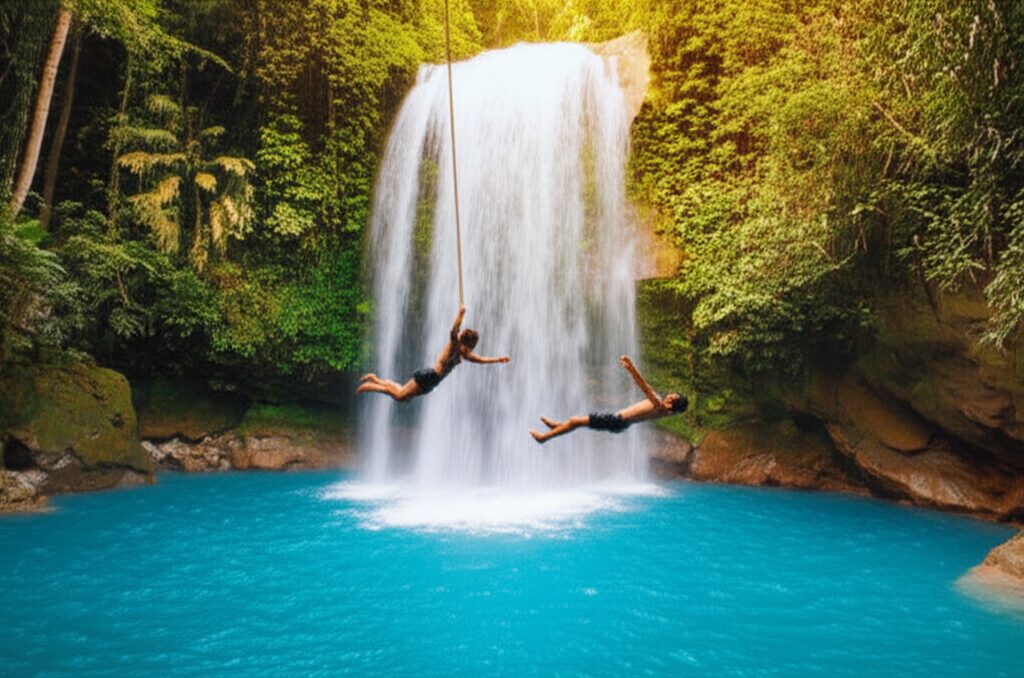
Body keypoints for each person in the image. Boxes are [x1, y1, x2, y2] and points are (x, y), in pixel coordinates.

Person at [357, 305, 510, 402]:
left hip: (433, 382)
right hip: (430, 376)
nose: (470, 351)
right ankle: (371, 385)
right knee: (400, 395)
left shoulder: (465, 355)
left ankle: (375, 380)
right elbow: (453, 331)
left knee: (402, 394)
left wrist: (498, 359)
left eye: (471, 348)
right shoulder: (454, 345)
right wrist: (460, 316)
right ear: (465, 343)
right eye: (470, 347)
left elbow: (481, 360)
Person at [529, 355, 687, 443]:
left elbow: (644, 386)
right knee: (577, 422)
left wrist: (631, 368)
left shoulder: (659, 405)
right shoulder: (663, 410)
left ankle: (543, 438)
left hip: (616, 421)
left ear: (671, 403)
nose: (671, 394)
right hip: (619, 423)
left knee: (575, 421)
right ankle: (557, 426)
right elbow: (648, 389)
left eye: (674, 396)